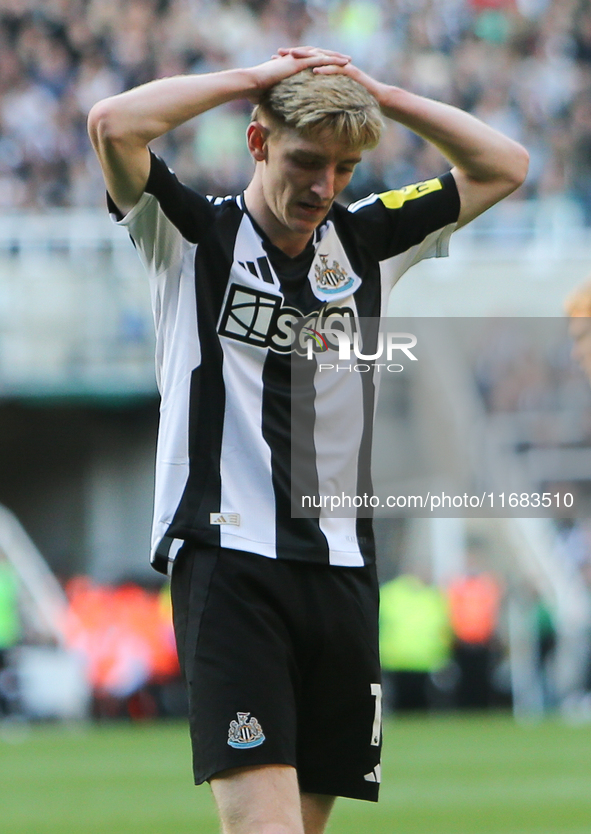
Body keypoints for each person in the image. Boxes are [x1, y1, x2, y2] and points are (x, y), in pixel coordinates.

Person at [88, 45, 528, 834]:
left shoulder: (368, 240)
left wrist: (383, 96)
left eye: (343, 167)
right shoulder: (189, 233)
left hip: (342, 574)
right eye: (304, 160)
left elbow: (505, 164)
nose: (322, 187)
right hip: (229, 565)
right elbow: (113, 123)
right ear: (258, 143)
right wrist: (254, 80)